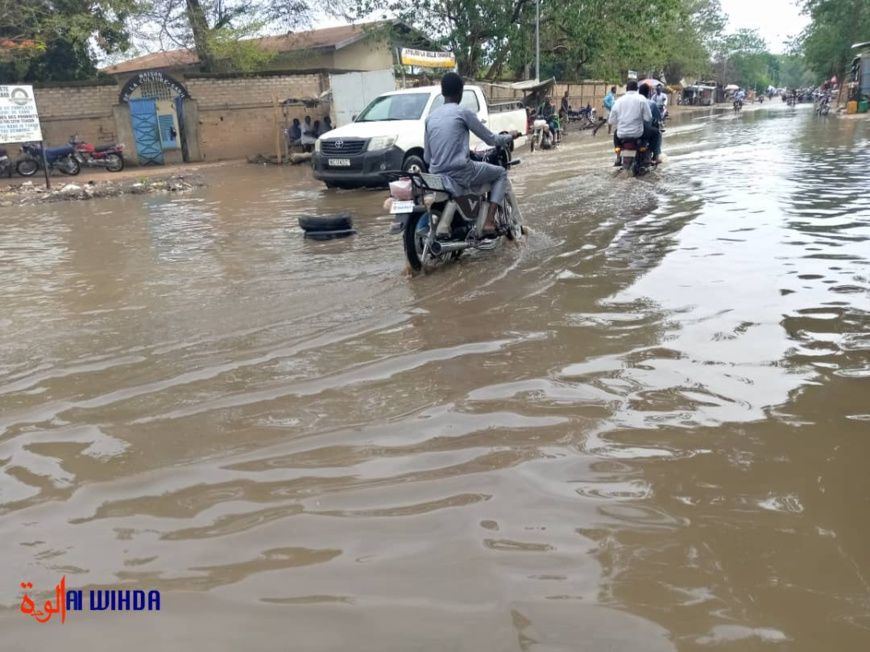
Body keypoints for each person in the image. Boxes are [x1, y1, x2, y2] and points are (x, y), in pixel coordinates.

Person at [424, 72, 514, 238]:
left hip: (436, 174)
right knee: (501, 173)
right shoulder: (463, 113)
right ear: (460, 92)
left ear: (442, 92)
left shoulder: (430, 118)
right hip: (461, 172)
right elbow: (491, 139)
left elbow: (427, 158)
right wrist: (510, 136)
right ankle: (489, 222)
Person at [608, 79, 653, 166]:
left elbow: (611, 120)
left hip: (622, 134)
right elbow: (648, 118)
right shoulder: (642, 99)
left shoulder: (618, 101)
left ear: (626, 89)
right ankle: (649, 157)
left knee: (615, 134)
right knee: (655, 133)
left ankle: (618, 157)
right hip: (638, 134)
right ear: (637, 89)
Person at [639, 83, 662, 162]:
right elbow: (658, 117)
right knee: (657, 134)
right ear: (648, 93)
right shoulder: (651, 103)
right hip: (643, 130)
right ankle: (656, 156)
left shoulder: (633, 102)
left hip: (628, 130)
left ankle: (618, 158)